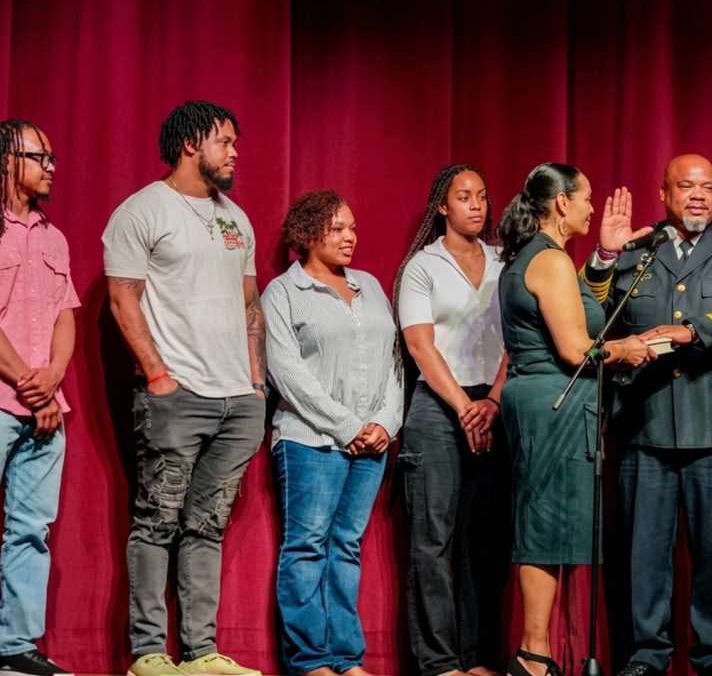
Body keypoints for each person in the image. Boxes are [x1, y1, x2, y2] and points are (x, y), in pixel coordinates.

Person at [581, 154, 712, 676]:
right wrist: (604, 253)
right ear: (663, 193)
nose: (698, 195)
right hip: (644, 420)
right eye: (686, 186)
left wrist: (692, 331)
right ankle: (647, 656)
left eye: (707, 187)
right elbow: (591, 313)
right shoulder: (639, 249)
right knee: (644, 552)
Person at [102, 101, 266, 676]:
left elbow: (248, 305)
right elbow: (122, 298)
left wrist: (255, 384)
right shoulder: (143, 211)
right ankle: (149, 653)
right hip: (176, 396)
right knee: (157, 521)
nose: (235, 151)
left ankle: (201, 653)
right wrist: (158, 375)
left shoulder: (236, 218)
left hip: (237, 401)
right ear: (191, 143)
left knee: (207, 524)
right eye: (225, 140)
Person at [497, 163, 654, 676]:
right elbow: (574, 349)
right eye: (586, 198)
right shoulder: (550, 261)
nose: (591, 206)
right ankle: (533, 656)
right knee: (543, 526)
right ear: (562, 203)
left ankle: (535, 653)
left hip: (547, 401)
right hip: (555, 403)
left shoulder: (538, 257)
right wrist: (628, 347)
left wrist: (607, 254)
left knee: (548, 522)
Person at [262, 189, 402, 676]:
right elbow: (286, 372)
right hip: (309, 441)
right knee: (307, 546)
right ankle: (311, 661)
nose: (350, 237)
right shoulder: (284, 292)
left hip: (372, 444)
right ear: (307, 233)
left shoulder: (370, 286)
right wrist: (348, 426)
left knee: (346, 546)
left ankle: (346, 658)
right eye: (337, 228)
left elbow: (394, 364)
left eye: (353, 227)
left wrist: (385, 422)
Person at [394, 164, 511, 676]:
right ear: (442, 206)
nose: (477, 205)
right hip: (441, 406)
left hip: (497, 403)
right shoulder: (423, 266)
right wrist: (466, 408)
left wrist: (495, 402)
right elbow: (420, 344)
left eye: (482, 196)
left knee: (485, 538)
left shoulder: (506, 261)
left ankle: (479, 657)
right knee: (433, 540)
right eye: (465, 197)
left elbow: (518, 338)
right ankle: (439, 662)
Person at [0, 120, 76, 676]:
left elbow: (64, 316)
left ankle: (13, 648)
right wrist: (30, 379)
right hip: (6, 396)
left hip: (46, 408)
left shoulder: (54, 237)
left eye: (52, 157)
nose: (51, 165)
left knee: (32, 529)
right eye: (39, 155)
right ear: (7, 159)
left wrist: (50, 380)